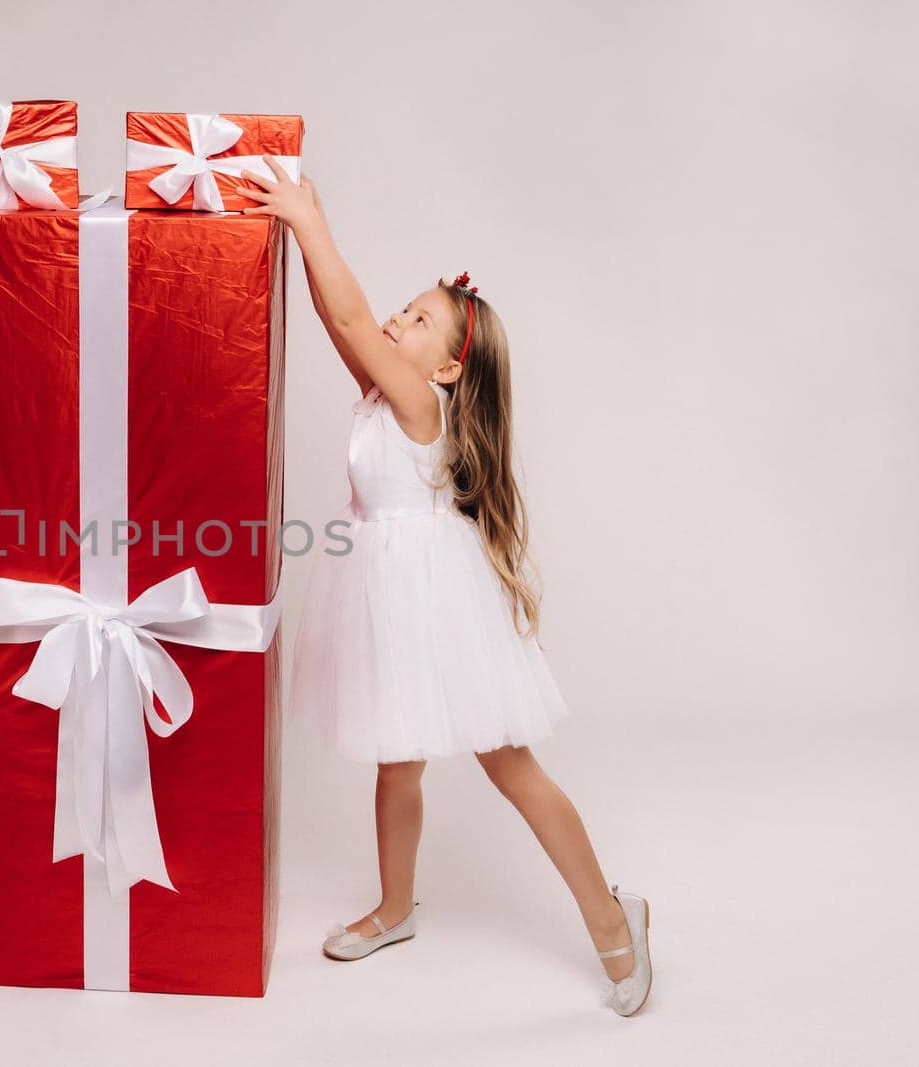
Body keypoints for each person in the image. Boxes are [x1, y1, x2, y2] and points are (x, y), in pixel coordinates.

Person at [241, 158, 652, 1017]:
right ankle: (396, 909)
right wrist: (290, 237)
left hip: (436, 603)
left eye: (418, 319)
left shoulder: (418, 404)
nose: (396, 318)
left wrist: (309, 217)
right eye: (404, 308)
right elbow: (335, 314)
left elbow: (351, 317)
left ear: (448, 369)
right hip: (389, 601)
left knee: (512, 768)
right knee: (399, 764)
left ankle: (614, 916)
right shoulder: (382, 392)